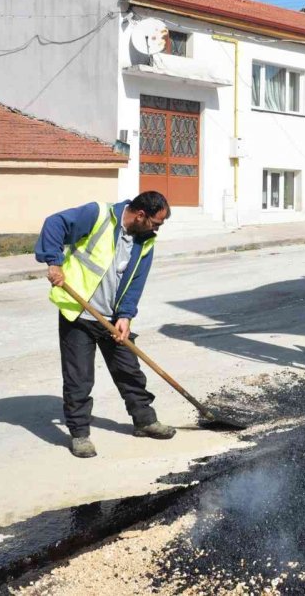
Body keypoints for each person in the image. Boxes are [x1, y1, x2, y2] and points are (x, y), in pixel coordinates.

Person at [35, 191, 176, 458]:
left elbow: (136, 282)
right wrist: (54, 262)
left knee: (129, 371)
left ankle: (145, 421)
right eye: (156, 223)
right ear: (141, 215)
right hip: (79, 313)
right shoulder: (98, 215)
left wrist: (126, 315)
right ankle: (79, 435)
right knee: (79, 378)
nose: (158, 229)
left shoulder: (145, 241)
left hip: (112, 318)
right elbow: (54, 223)